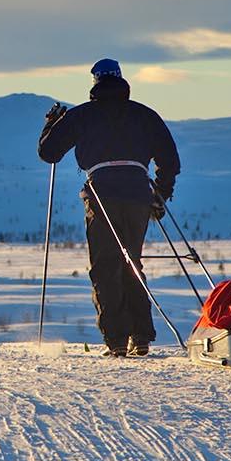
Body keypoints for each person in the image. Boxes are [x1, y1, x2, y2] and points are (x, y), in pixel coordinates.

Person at [38, 58, 181, 357]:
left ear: (95, 83)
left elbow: (49, 153)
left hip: (101, 191)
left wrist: (51, 125)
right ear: (121, 79)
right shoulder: (144, 115)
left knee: (106, 265)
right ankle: (141, 337)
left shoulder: (82, 115)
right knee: (132, 261)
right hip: (138, 192)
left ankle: (116, 340)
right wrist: (161, 194)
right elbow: (170, 158)